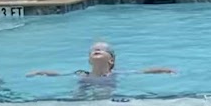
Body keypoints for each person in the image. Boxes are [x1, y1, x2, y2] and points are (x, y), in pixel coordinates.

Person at [27, 41, 176, 80]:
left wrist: (164, 70)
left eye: (102, 50)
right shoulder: (82, 74)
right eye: (93, 50)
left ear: (111, 60)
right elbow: (59, 74)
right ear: (89, 60)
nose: (97, 50)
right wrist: (39, 72)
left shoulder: (115, 74)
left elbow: (142, 72)